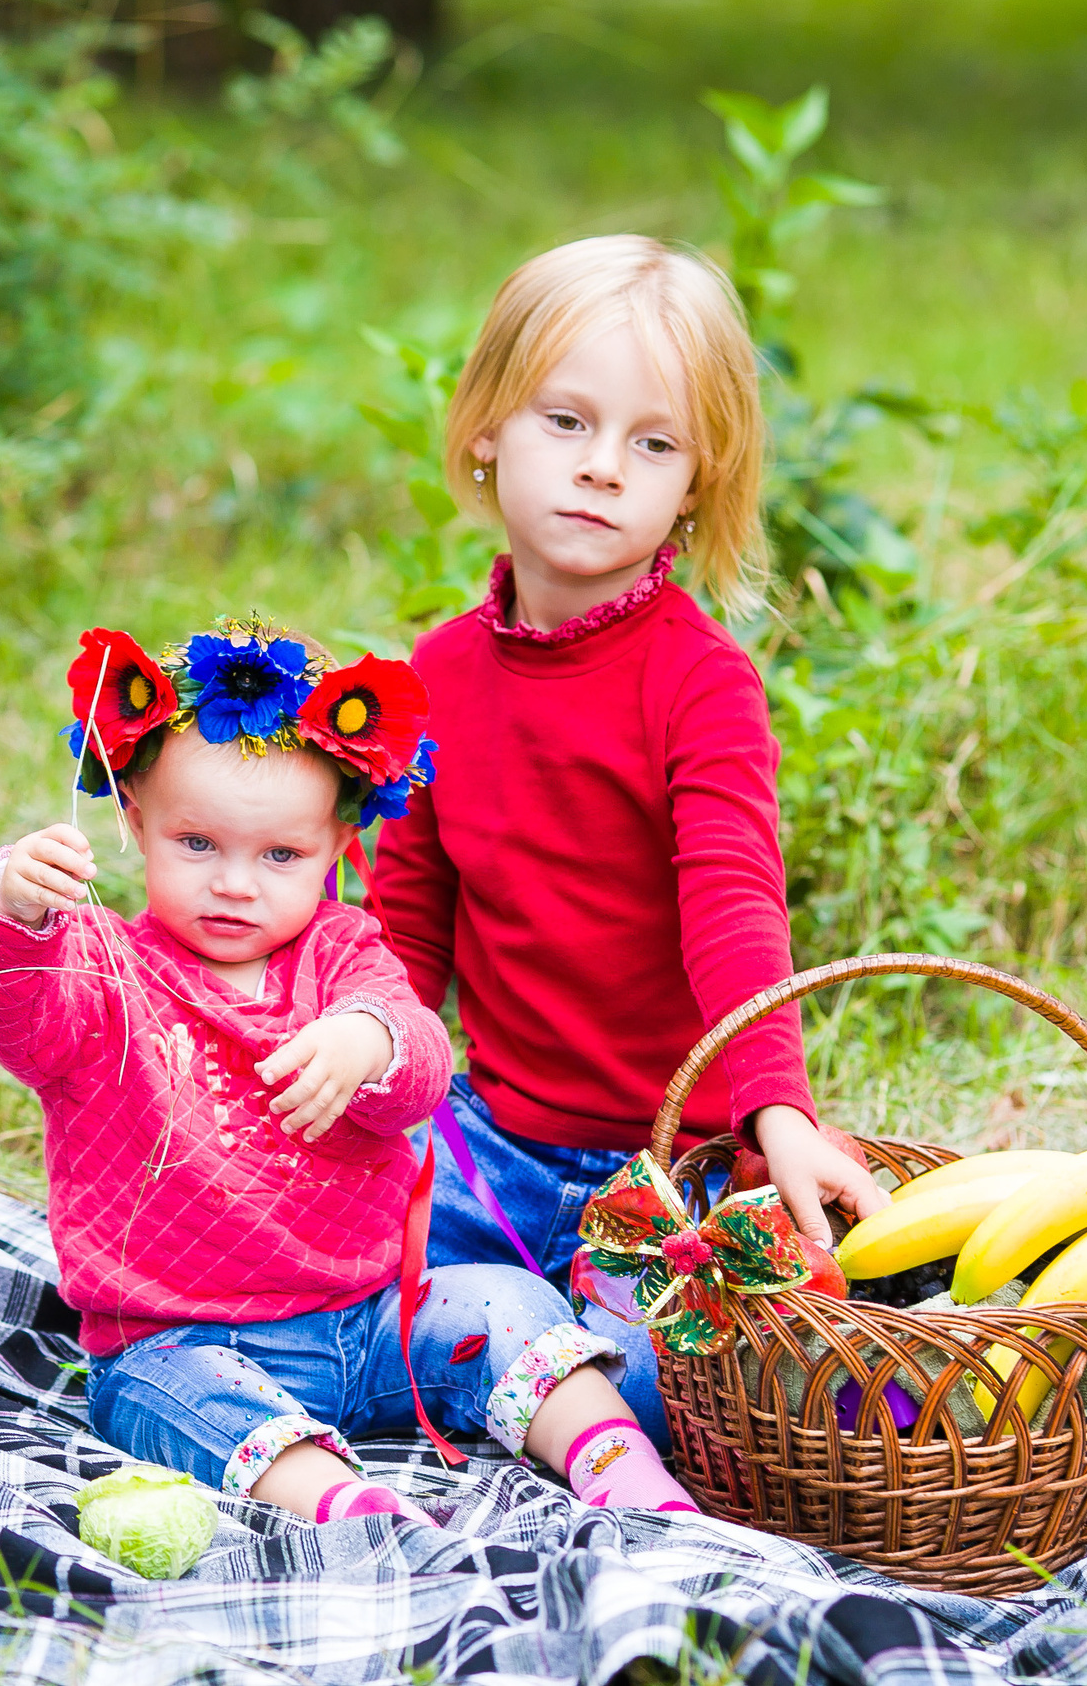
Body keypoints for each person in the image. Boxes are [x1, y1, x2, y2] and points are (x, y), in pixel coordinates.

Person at [0, 619, 695, 1525]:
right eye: (197, 844)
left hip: (375, 1319)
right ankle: (345, 1502)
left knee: (502, 1299)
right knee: (154, 1396)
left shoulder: (342, 955)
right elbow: (4, 1013)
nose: (235, 883)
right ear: (135, 823)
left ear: (335, 850)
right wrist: (12, 908)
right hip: (182, 1331)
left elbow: (421, 1058)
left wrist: (368, 1042)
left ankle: (617, 1463)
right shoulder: (101, 971)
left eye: (279, 856)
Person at [375, 235, 888, 1444]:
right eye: (566, 421)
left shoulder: (698, 685)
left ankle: (581, 1387)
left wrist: (776, 1114)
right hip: (489, 1154)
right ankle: (525, 1354)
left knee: (726, 1401)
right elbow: (404, 923)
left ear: (697, 484)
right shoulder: (436, 676)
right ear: (488, 427)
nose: (602, 469)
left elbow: (732, 899)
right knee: (325, 1294)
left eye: (651, 444)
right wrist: (373, 1085)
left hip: (670, 1167)